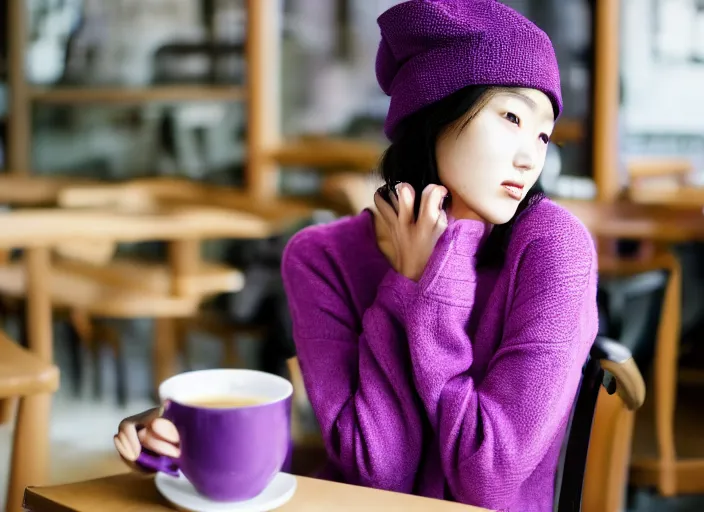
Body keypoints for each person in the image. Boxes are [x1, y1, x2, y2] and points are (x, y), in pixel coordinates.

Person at [114, 1, 597, 510]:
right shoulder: (321, 259)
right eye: (512, 117)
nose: (531, 156)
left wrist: (431, 288)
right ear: (435, 113)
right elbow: (378, 471)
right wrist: (182, 441)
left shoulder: (553, 249)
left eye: (543, 134)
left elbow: (488, 477)